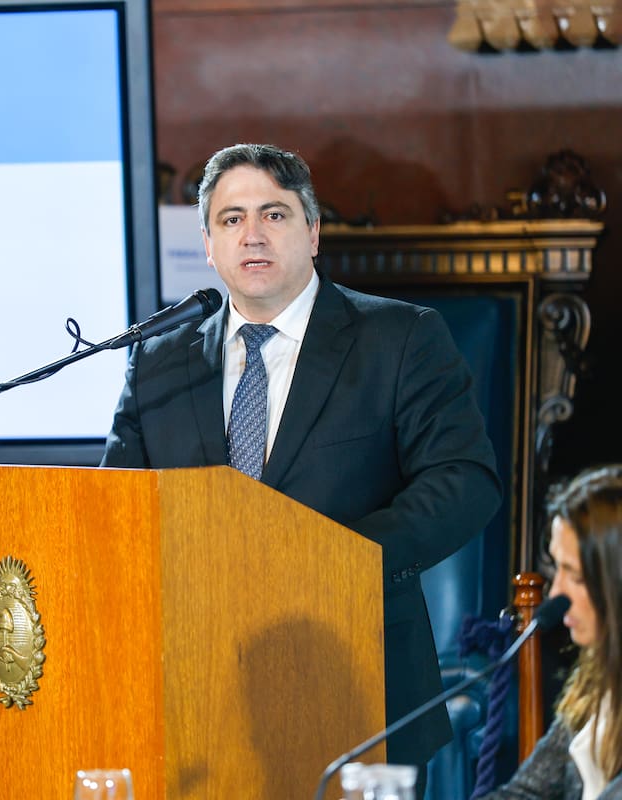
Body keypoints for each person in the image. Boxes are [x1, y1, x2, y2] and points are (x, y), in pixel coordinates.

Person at [100, 143, 502, 786]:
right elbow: (114, 515)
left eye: (275, 215)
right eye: (231, 220)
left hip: (360, 684)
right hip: (191, 696)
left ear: (312, 233)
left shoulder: (399, 339)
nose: (252, 235)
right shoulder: (158, 363)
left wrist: (328, 560)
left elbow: (465, 482)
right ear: (208, 243)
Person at [482, 465, 622, 799]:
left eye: (573, 575)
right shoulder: (597, 678)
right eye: (556, 567)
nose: (555, 592)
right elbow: (525, 793)